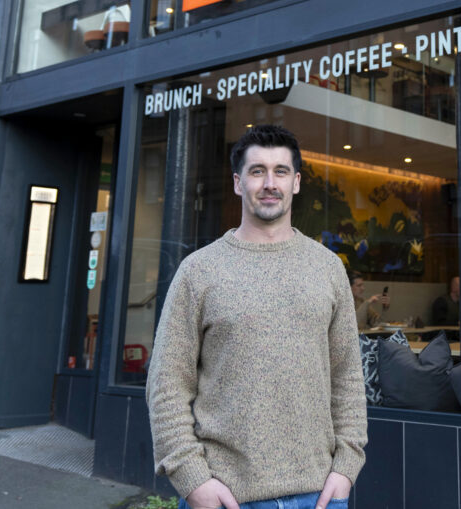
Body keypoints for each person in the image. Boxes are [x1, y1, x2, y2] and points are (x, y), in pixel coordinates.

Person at [147, 124, 366, 509]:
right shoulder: (199, 271)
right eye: (257, 171)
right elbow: (167, 384)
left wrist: (346, 467)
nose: (269, 183)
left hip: (319, 495)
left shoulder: (328, 268)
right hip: (225, 496)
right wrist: (193, 480)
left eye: (280, 171)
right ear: (238, 183)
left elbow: (347, 375)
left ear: (296, 182)